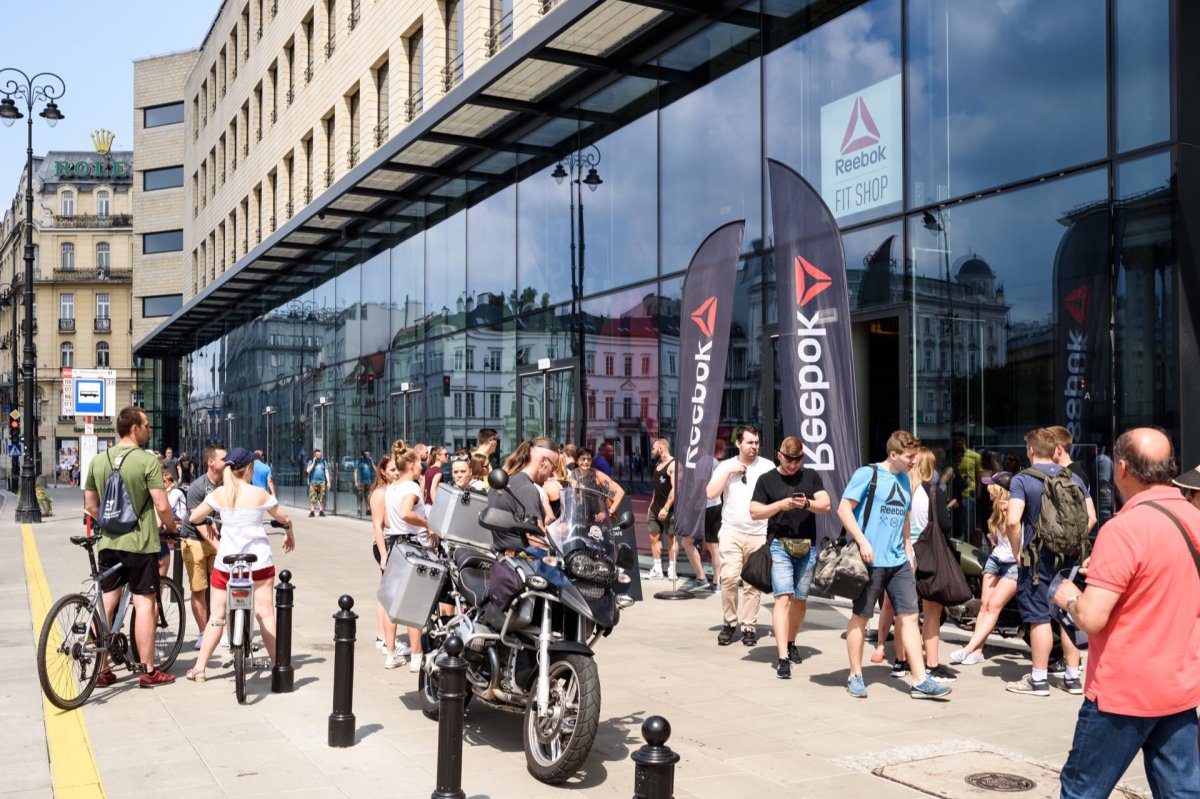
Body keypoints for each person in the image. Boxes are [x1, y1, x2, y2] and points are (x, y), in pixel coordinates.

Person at [1053, 428, 1200, 798]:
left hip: (1123, 691)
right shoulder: (1193, 519)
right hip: (1178, 685)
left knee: (1081, 790)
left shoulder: (1124, 528)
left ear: (1121, 468)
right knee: (1182, 791)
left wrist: (1068, 595)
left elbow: (1091, 617)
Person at [838, 430, 952, 700]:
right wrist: (863, 541)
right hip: (870, 559)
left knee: (910, 616)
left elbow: (904, 515)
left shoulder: (904, 479)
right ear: (893, 454)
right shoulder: (868, 474)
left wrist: (909, 550)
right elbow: (843, 509)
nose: (914, 461)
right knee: (861, 617)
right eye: (909, 457)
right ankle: (855, 675)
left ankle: (920, 680)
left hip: (898, 560)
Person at [82, 406, 180, 688]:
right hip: (141, 544)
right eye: (147, 425)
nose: (150, 429)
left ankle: (101, 670)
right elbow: (161, 504)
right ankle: (149, 671)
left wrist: (111, 523)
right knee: (145, 603)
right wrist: (172, 529)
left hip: (108, 543)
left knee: (106, 604)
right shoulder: (147, 461)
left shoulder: (98, 461)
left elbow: (90, 505)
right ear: (134, 429)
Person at [187, 447, 295, 683]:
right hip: (258, 564)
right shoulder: (259, 494)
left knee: (216, 616)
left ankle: (200, 668)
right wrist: (289, 533)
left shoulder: (220, 494)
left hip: (227, 564)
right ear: (249, 469)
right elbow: (285, 518)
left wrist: (211, 520)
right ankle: (277, 666)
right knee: (265, 613)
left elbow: (194, 518)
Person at [1005, 427, 1089, 697]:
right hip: (1070, 555)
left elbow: (1012, 520)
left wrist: (1017, 551)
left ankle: (1039, 679)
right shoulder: (1074, 476)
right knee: (1068, 613)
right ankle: (1073, 677)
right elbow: (1090, 517)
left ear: (1030, 450)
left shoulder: (1022, 480)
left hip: (1037, 556)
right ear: (1056, 451)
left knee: (1038, 615)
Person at [748, 435, 830, 679]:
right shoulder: (767, 480)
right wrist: (781, 505)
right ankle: (783, 657)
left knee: (800, 600)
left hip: (807, 546)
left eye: (798, 460)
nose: (793, 465)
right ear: (779, 455)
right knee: (783, 598)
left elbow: (825, 504)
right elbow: (754, 511)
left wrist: (806, 504)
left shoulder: (811, 476)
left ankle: (792, 641)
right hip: (779, 546)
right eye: (789, 459)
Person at [871, 447, 955, 682]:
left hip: (902, 554)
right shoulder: (932, 491)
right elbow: (945, 526)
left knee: (904, 612)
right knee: (931, 611)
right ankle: (932, 664)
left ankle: (899, 661)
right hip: (926, 554)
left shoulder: (903, 489)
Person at [706, 425, 774, 648]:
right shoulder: (726, 466)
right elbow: (711, 493)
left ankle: (749, 626)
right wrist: (729, 472)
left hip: (758, 532)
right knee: (729, 578)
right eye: (750, 442)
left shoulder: (767, 467)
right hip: (731, 530)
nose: (754, 446)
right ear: (738, 443)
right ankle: (729, 622)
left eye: (756, 442)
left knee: (753, 583)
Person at [950, 472, 1018, 666]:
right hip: (996, 560)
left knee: (994, 606)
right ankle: (977, 651)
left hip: (1013, 564)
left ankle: (968, 648)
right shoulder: (996, 509)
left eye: (991, 485)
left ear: (1000, 489)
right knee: (985, 606)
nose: (987, 488)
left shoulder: (1015, 507)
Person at [386, 447, 433, 673]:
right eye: (419, 464)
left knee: (393, 600)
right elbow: (406, 513)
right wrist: (427, 524)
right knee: (413, 603)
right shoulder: (411, 486)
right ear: (412, 466)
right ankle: (416, 655)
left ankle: (391, 652)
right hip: (412, 545)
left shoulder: (391, 488)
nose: (421, 467)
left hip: (394, 542)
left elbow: (389, 519)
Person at [181, 444, 226, 650]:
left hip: (218, 541)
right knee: (199, 588)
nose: (228, 463)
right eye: (224, 459)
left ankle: (220, 629)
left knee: (221, 587)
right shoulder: (198, 486)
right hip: (195, 540)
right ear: (211, 462)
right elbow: (196, 521)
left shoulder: (228, 484)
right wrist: (218, 546)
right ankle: (202, 631)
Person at [369, 455, 409, 668]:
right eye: (392, 469)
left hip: (390, 544)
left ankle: (383, 637)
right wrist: (384, 554)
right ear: (383, 471)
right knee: (389, 595)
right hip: (385, 544)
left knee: (385, 593)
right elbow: (378, 526)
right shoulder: (380, 493)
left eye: (397, 469)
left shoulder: (393, 490)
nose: (395, 473)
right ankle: (386, 640)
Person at [487, 437, 557, 554]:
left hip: (502, 557)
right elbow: (535, 537)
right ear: (544, 461)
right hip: (522, 562)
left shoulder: (508, 479)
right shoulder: (527, 489)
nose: (553, 473)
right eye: (554, 467)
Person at [1048, 425, 1099, 533]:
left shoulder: (1075, 475)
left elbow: (1091, 518)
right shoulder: (1064, 473)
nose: (1045, 451)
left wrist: (1075, 544)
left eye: (1048, 448)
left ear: (1059, 449)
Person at [646, 438, 678, 581]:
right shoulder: (658, 464)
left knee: (671, 538)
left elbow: (675, 489)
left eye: (654, 448)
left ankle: (672, 570)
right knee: (654, 537)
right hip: (655, 508)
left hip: (669, 510)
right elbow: (656, 488)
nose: (652, 451)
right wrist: (651, 506)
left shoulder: (674, 465)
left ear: (661, 449)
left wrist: (666, 508)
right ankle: (658, 569)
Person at [570, 448, 625, 524]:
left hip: (596, 520)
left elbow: (620, 491)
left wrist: (609, 512)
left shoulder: (597, 475)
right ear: (576, 461)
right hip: (578, 519)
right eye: (583, 459)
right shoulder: (571, 475)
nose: (586, 462)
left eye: (589, 459)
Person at [306, 449, 328, 517]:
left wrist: (328, 481)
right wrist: (313, 462)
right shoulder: (311, 462)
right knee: (313, 498)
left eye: (320, 454)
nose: (319, 456)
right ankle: (312, 511)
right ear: (315, 455)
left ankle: (321, 511)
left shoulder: (324, 462)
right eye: (317, 455)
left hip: (322, 482)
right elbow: (308, 471)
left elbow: (326, 472)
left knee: (321, 497)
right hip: (313, 482)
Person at [354, 449, 375, 516]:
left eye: (368, 454)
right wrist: (356, 482)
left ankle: (368, 509)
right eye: (366, 454)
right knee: (360, 496)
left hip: (368, 481)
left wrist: (371, 461)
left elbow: (375, 469)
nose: (367, 456)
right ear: (363, 455)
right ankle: (359, 509)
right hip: (361, 481)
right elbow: (355, 471)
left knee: (367, 496)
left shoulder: (369, 461)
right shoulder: (359, 461)